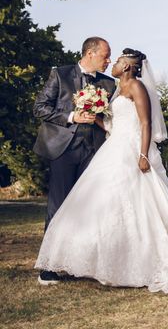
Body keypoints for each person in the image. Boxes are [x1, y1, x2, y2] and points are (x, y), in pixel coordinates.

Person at [35, 48, 168, 293]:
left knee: (135, 205)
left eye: (116, 60)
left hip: (129, 150)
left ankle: (138, 262)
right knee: (93, 205)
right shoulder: (112, 87)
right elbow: (111, 124)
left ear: (127, 66)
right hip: (106, 147)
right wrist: (89, 114)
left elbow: (145, 123)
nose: (111, 63)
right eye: (108, 57)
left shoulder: (135, 87)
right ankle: (86, 261)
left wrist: (142, 154)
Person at [33, 36, 115, 285]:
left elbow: (112, 117)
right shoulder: (60, 74)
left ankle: (81, 263)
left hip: (94, 152)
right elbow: (40, 107)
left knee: (89, 209)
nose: (109, 61)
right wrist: (72, 116)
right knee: (58, 207)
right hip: (63, 150)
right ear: (90, 53)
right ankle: (48, 267)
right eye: (105, 55)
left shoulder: (109, 84)